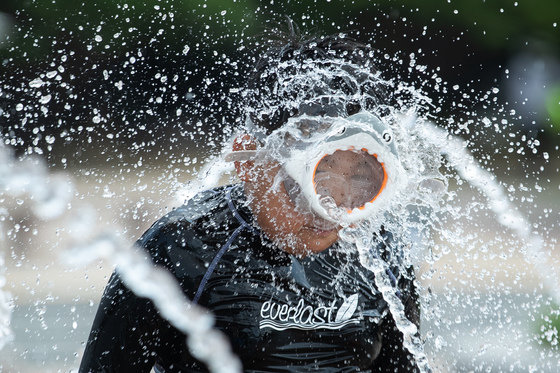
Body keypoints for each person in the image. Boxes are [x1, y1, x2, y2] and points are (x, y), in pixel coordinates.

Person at [79, 24, 420, 373]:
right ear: (248, 161)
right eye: (304, 187)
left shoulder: (379, 257)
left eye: (362, 184)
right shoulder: (182, 250)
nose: (332, 210)